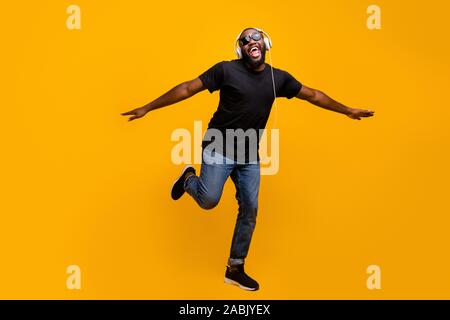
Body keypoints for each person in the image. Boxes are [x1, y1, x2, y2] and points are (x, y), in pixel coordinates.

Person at [122, 27, 375, 291]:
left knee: (250, 208)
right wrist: (147, 107)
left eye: (255, 37)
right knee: (209, 200)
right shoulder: (225, 70)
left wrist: (347, 110)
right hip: (218, 146)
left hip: (248, 154)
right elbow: (187, 88)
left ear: (266, 43)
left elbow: (313, 95)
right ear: (240, 49)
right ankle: (188, 179)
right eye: (245, 40)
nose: (251, 42)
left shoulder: (279, 79)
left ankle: (235, 267)